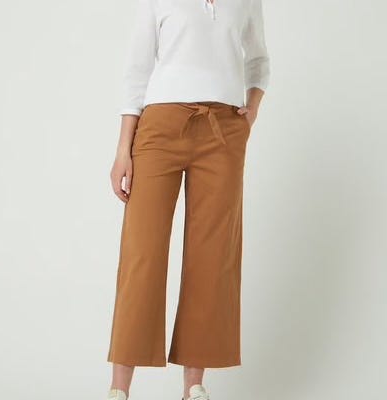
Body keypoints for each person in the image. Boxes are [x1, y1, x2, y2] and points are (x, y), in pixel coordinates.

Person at [106, 0, 270, 399]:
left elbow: (259, 60)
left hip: (223, 131)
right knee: (142, 253)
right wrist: (123, 149)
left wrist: (249, 114)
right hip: (160, 128)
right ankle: (118, 389)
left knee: (212, 256)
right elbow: (137, 70)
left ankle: (193, 387)